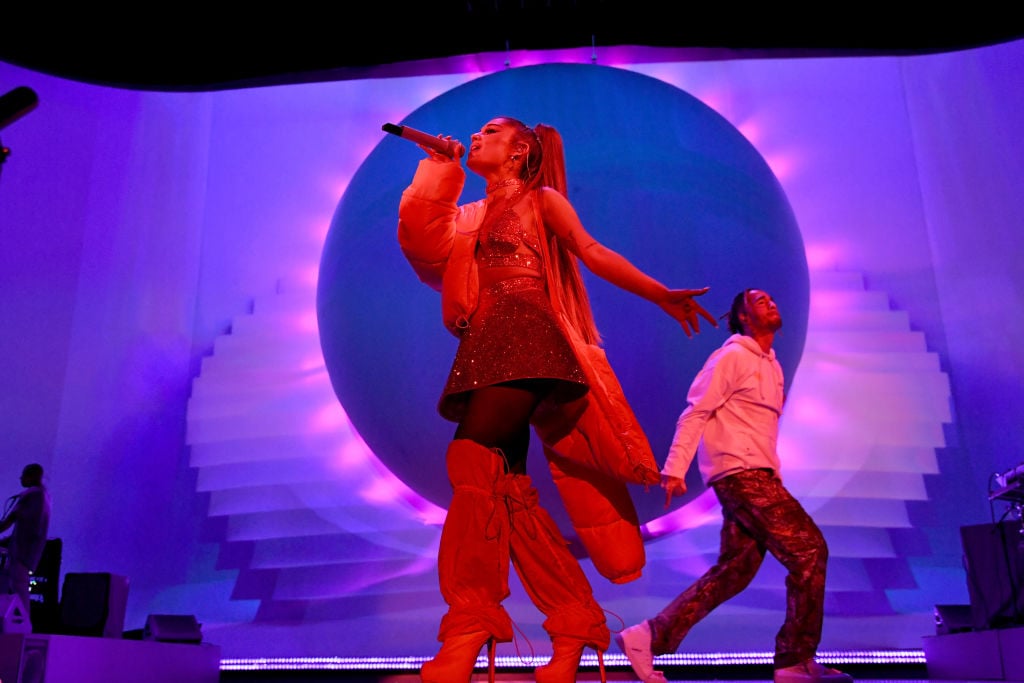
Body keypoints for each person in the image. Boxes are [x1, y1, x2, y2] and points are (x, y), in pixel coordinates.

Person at [396, 116, 716, 683]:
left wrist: (659, 293)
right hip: (485, 341)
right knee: (507, 487)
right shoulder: (469, 218)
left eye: (490, 132)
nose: (475, 136)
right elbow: (422, 244)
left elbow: (592, 252)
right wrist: (441, 165)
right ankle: (574, 624)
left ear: (519, 151)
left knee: (470, 460)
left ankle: (469, 625)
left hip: (530, 336)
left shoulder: (542, 200)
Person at [615, 289, 853, 683]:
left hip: (758, 473)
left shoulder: (772, 367)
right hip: (740, 473)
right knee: (809, 550)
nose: (771, 303)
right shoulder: (731, 356)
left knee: (734, 572)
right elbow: (697, 411)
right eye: (760, 301)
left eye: (773, 299)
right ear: (742, 317)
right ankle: (795, 660)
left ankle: (646, 637)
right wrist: (675, 468)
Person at [0, 463, 52, 625]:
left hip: (22, 551)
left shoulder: (32, 495)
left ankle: (22, 626)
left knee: (19, 588)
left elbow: (11, 519)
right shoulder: (44, 496)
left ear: (31, 476)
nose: (21, 479)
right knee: (15, 585)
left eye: (23, 475)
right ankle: (19, 624)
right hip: (28, 551)